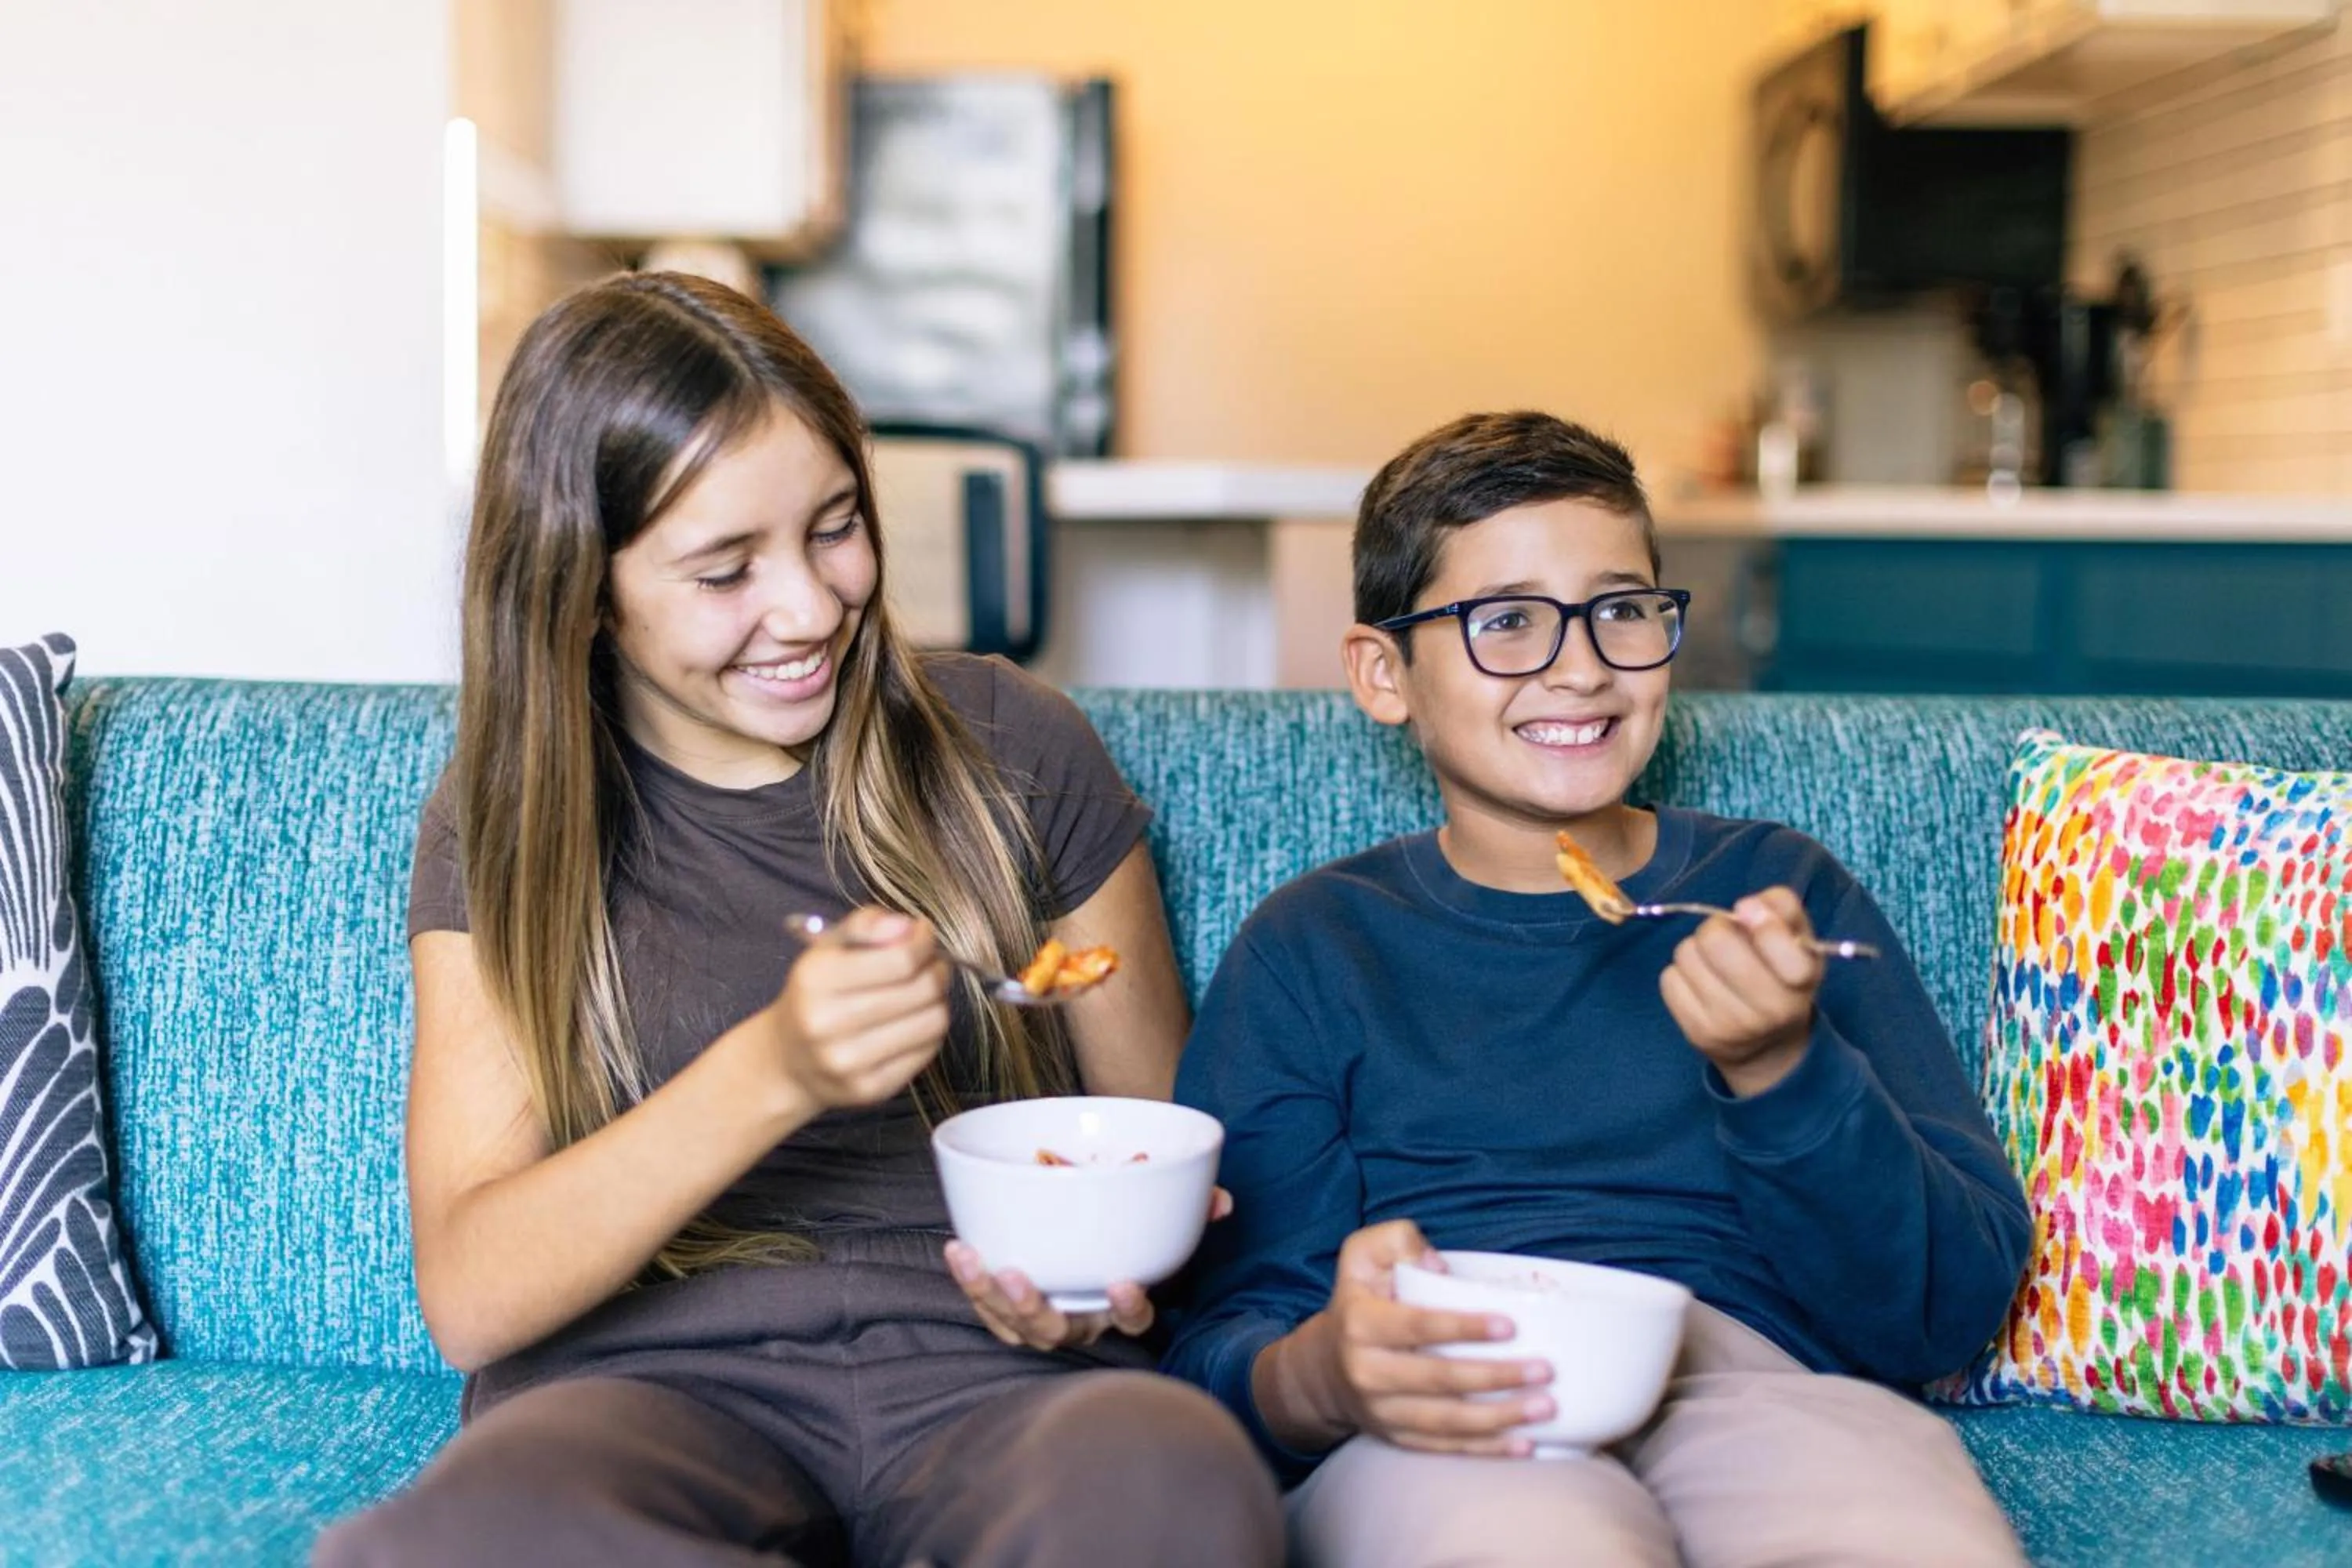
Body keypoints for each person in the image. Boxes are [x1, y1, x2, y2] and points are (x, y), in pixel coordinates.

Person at [317, 272, 1281, 1567]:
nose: (816, 608)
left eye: (835, 528)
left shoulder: (1012, 744)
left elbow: (1157, 1154)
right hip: (644, 1395)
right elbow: (474, 1297)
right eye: (726, 570)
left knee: (1176, 1486)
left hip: (999, 1382)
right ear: (583, 591)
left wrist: (1113, 1285)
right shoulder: (511, 822)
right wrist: (771, 1074)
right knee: (465, 1541)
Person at [1162, 411, 2031, 1566]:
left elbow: (1949, 1304)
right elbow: (1222, 1342)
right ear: (1384, 674)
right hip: (1460, 1404)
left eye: (1622, 610)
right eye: (1506, 621)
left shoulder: (1778, 893)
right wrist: (1323, 1376)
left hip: (1751, 1378)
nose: (1580, 666)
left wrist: (1782, 1071)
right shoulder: (1316, 947)